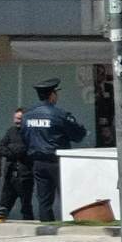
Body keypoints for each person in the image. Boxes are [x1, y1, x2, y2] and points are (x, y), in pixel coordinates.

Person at [21, 76, 86, 222]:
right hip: (58, 162)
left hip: (38, 162)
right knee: (67, 197)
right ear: (52, 95)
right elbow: (78, 135)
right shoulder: (59, 115)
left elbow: (25, 138)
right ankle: (70, 225)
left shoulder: (27, 116)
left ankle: (47, 228)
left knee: (44, 201)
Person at [0, 109, 34, 220]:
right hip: (10, 175)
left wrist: (11, 149)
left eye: (19, 119)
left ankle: (29, 227)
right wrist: (12, 151)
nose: (17, 121)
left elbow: (24, 149)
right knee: (3, 205)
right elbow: (0, 148)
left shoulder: (30, 133)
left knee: (26, 207)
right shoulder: (11, 131)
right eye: (15, 118)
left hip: (25, 176)